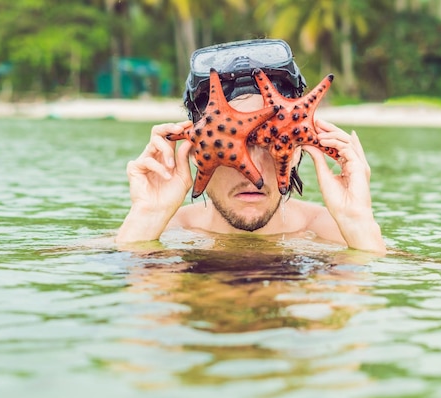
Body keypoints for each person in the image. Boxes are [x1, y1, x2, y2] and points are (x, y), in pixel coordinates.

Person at [115, 39, 386, 254]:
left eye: (272, 142)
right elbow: (137, 315)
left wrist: (358, 222)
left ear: (298, 150)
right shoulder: (160, 231)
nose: (251, 168)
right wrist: (147, 217)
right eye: (231, 146)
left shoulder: (334, 233)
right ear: (196, 151)